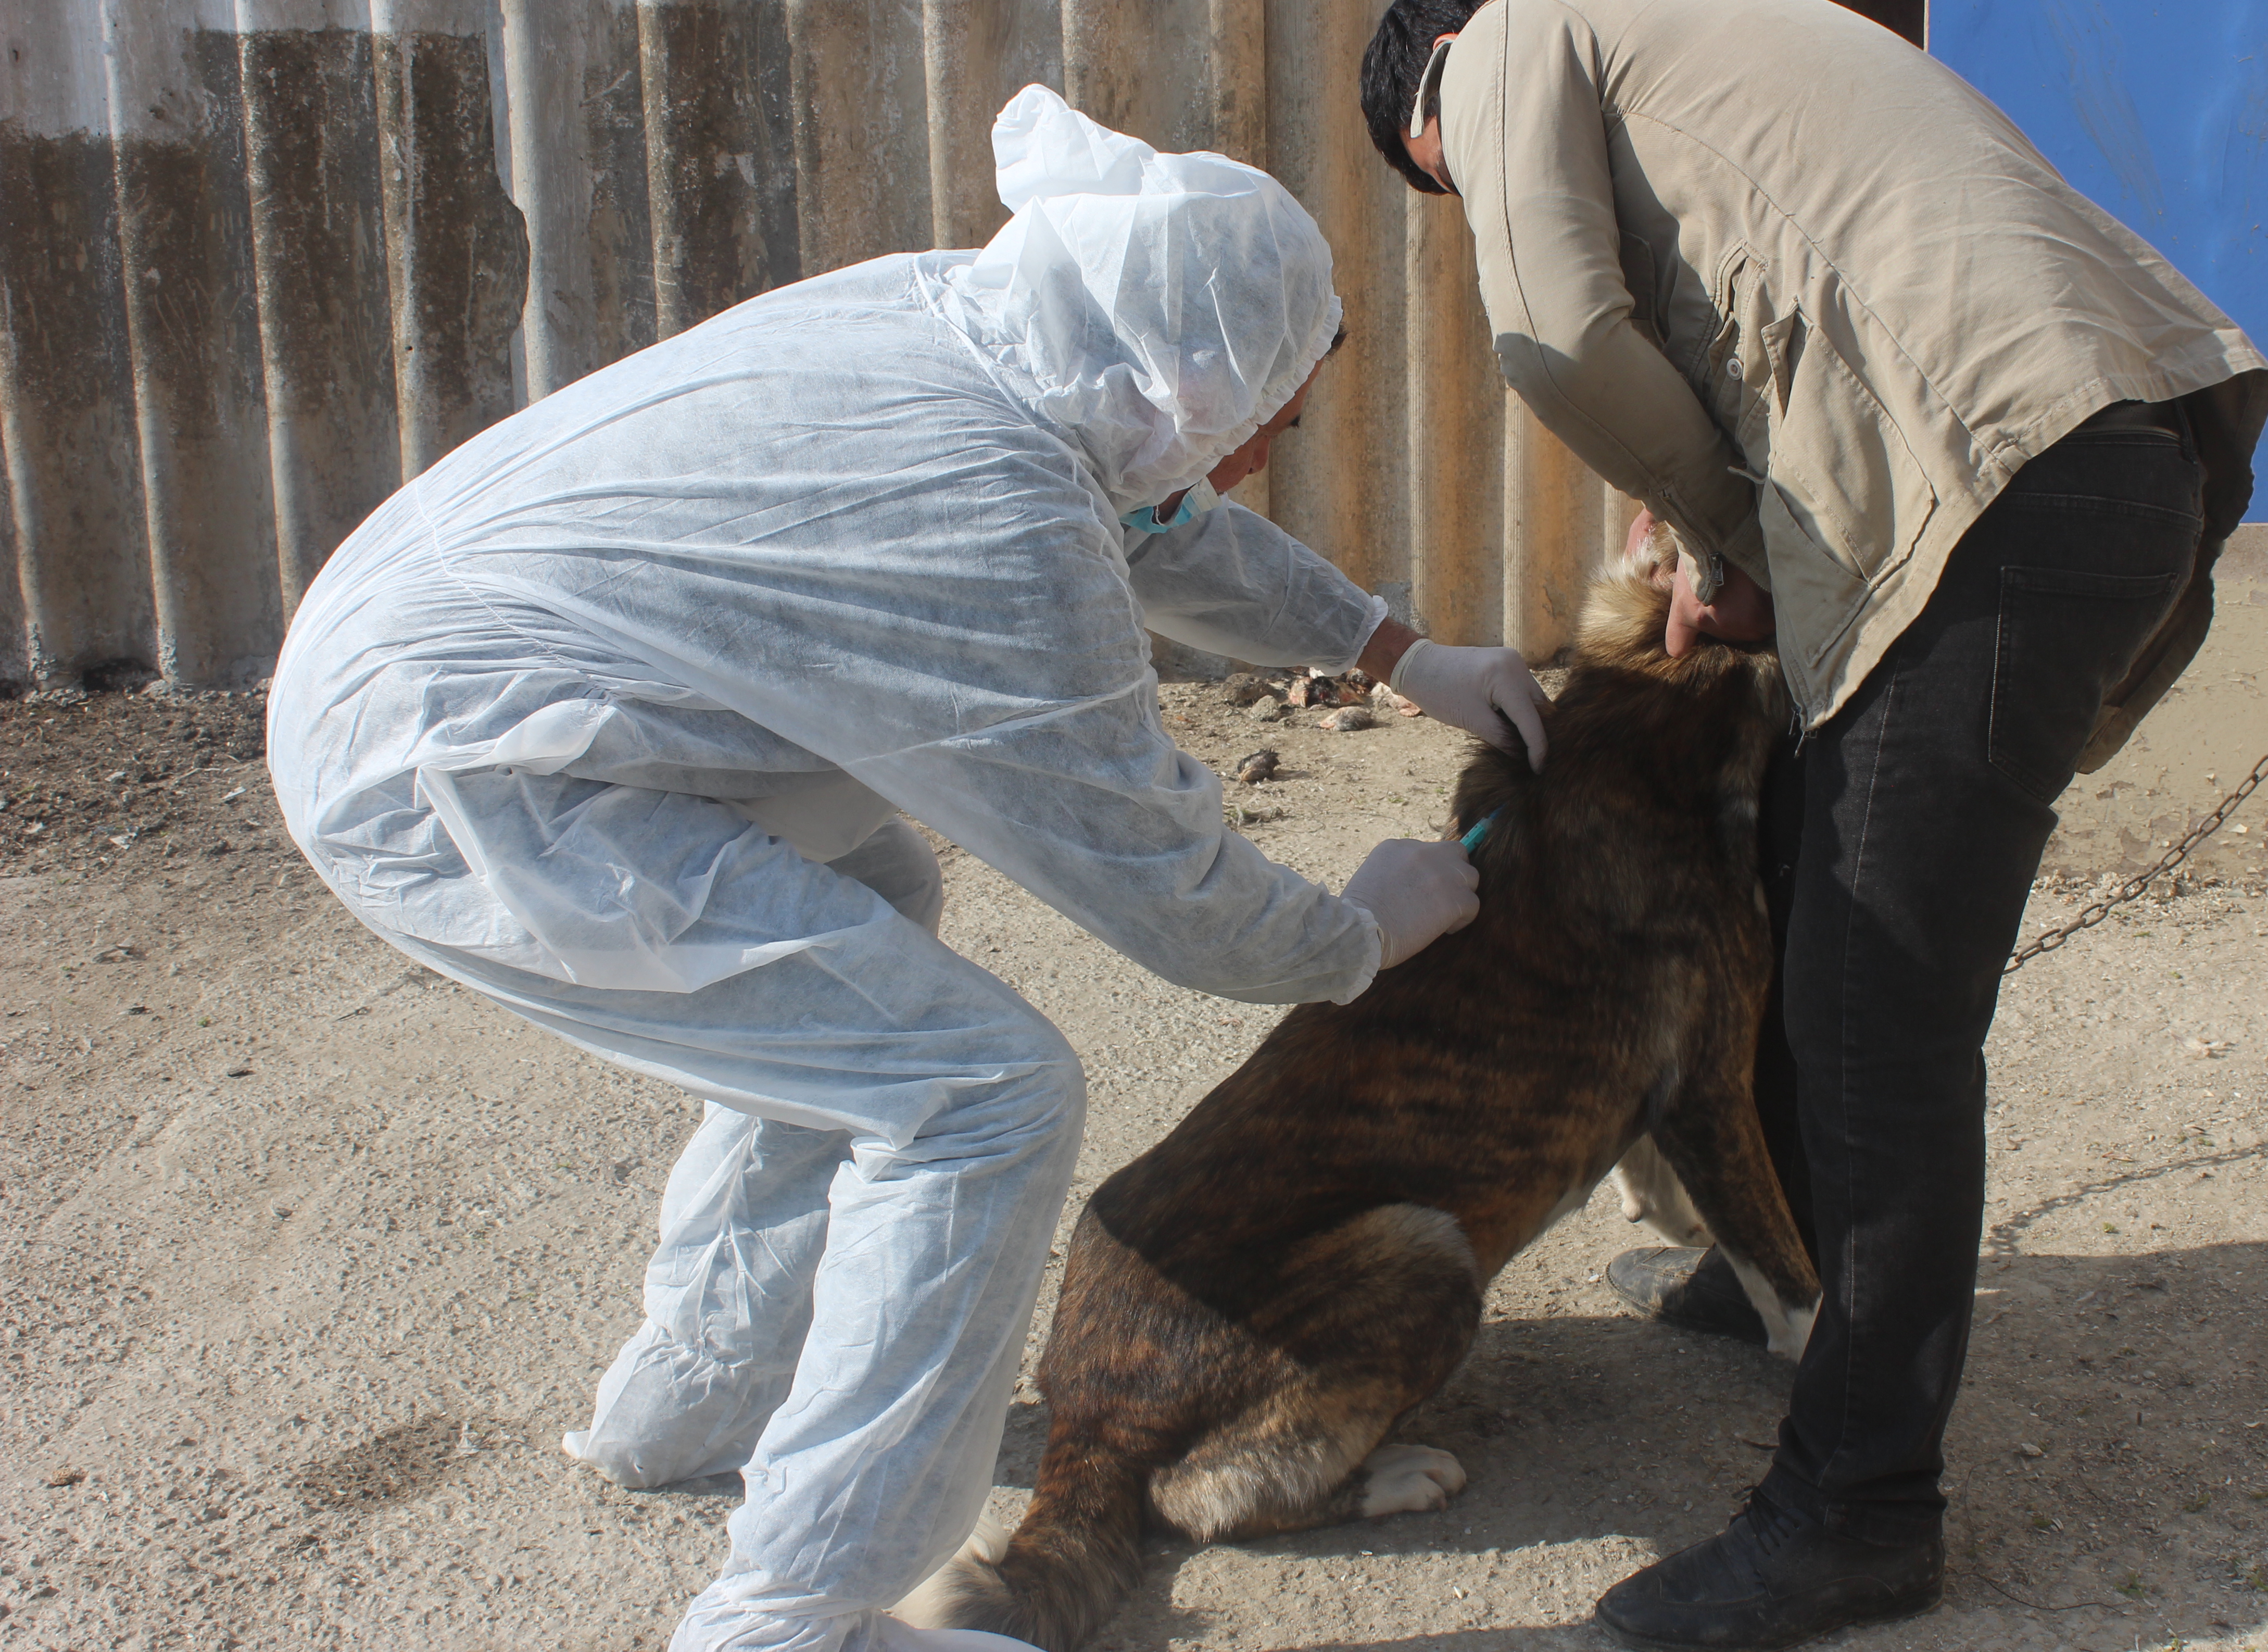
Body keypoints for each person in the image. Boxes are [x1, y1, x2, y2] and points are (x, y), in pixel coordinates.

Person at [268, 85, 1549, 1652]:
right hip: (467, 770)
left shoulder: (986, 325)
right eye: (1268, 414)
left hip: (433, 670)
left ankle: (693, 1404)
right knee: (977, 1092)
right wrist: (1355, 933)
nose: (1267, 449)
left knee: (874, 899)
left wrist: (1395, 650)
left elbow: (1155, 517)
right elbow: (1171, 892)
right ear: (1181, 382)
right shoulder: (991, 515)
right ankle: (796, 1619)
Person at [1362, 0, 2268, 1649]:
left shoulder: (1503, 46)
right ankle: (1761, 1259)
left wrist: (1724, 537)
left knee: (1873, 1018)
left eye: (1447, 184)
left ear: (1428, 100)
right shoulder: (1703, 31)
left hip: (2002, 485)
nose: (1473, 192)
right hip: (2104, 447)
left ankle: (1860, 1511)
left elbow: (1559, 338)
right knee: (1788, 905)